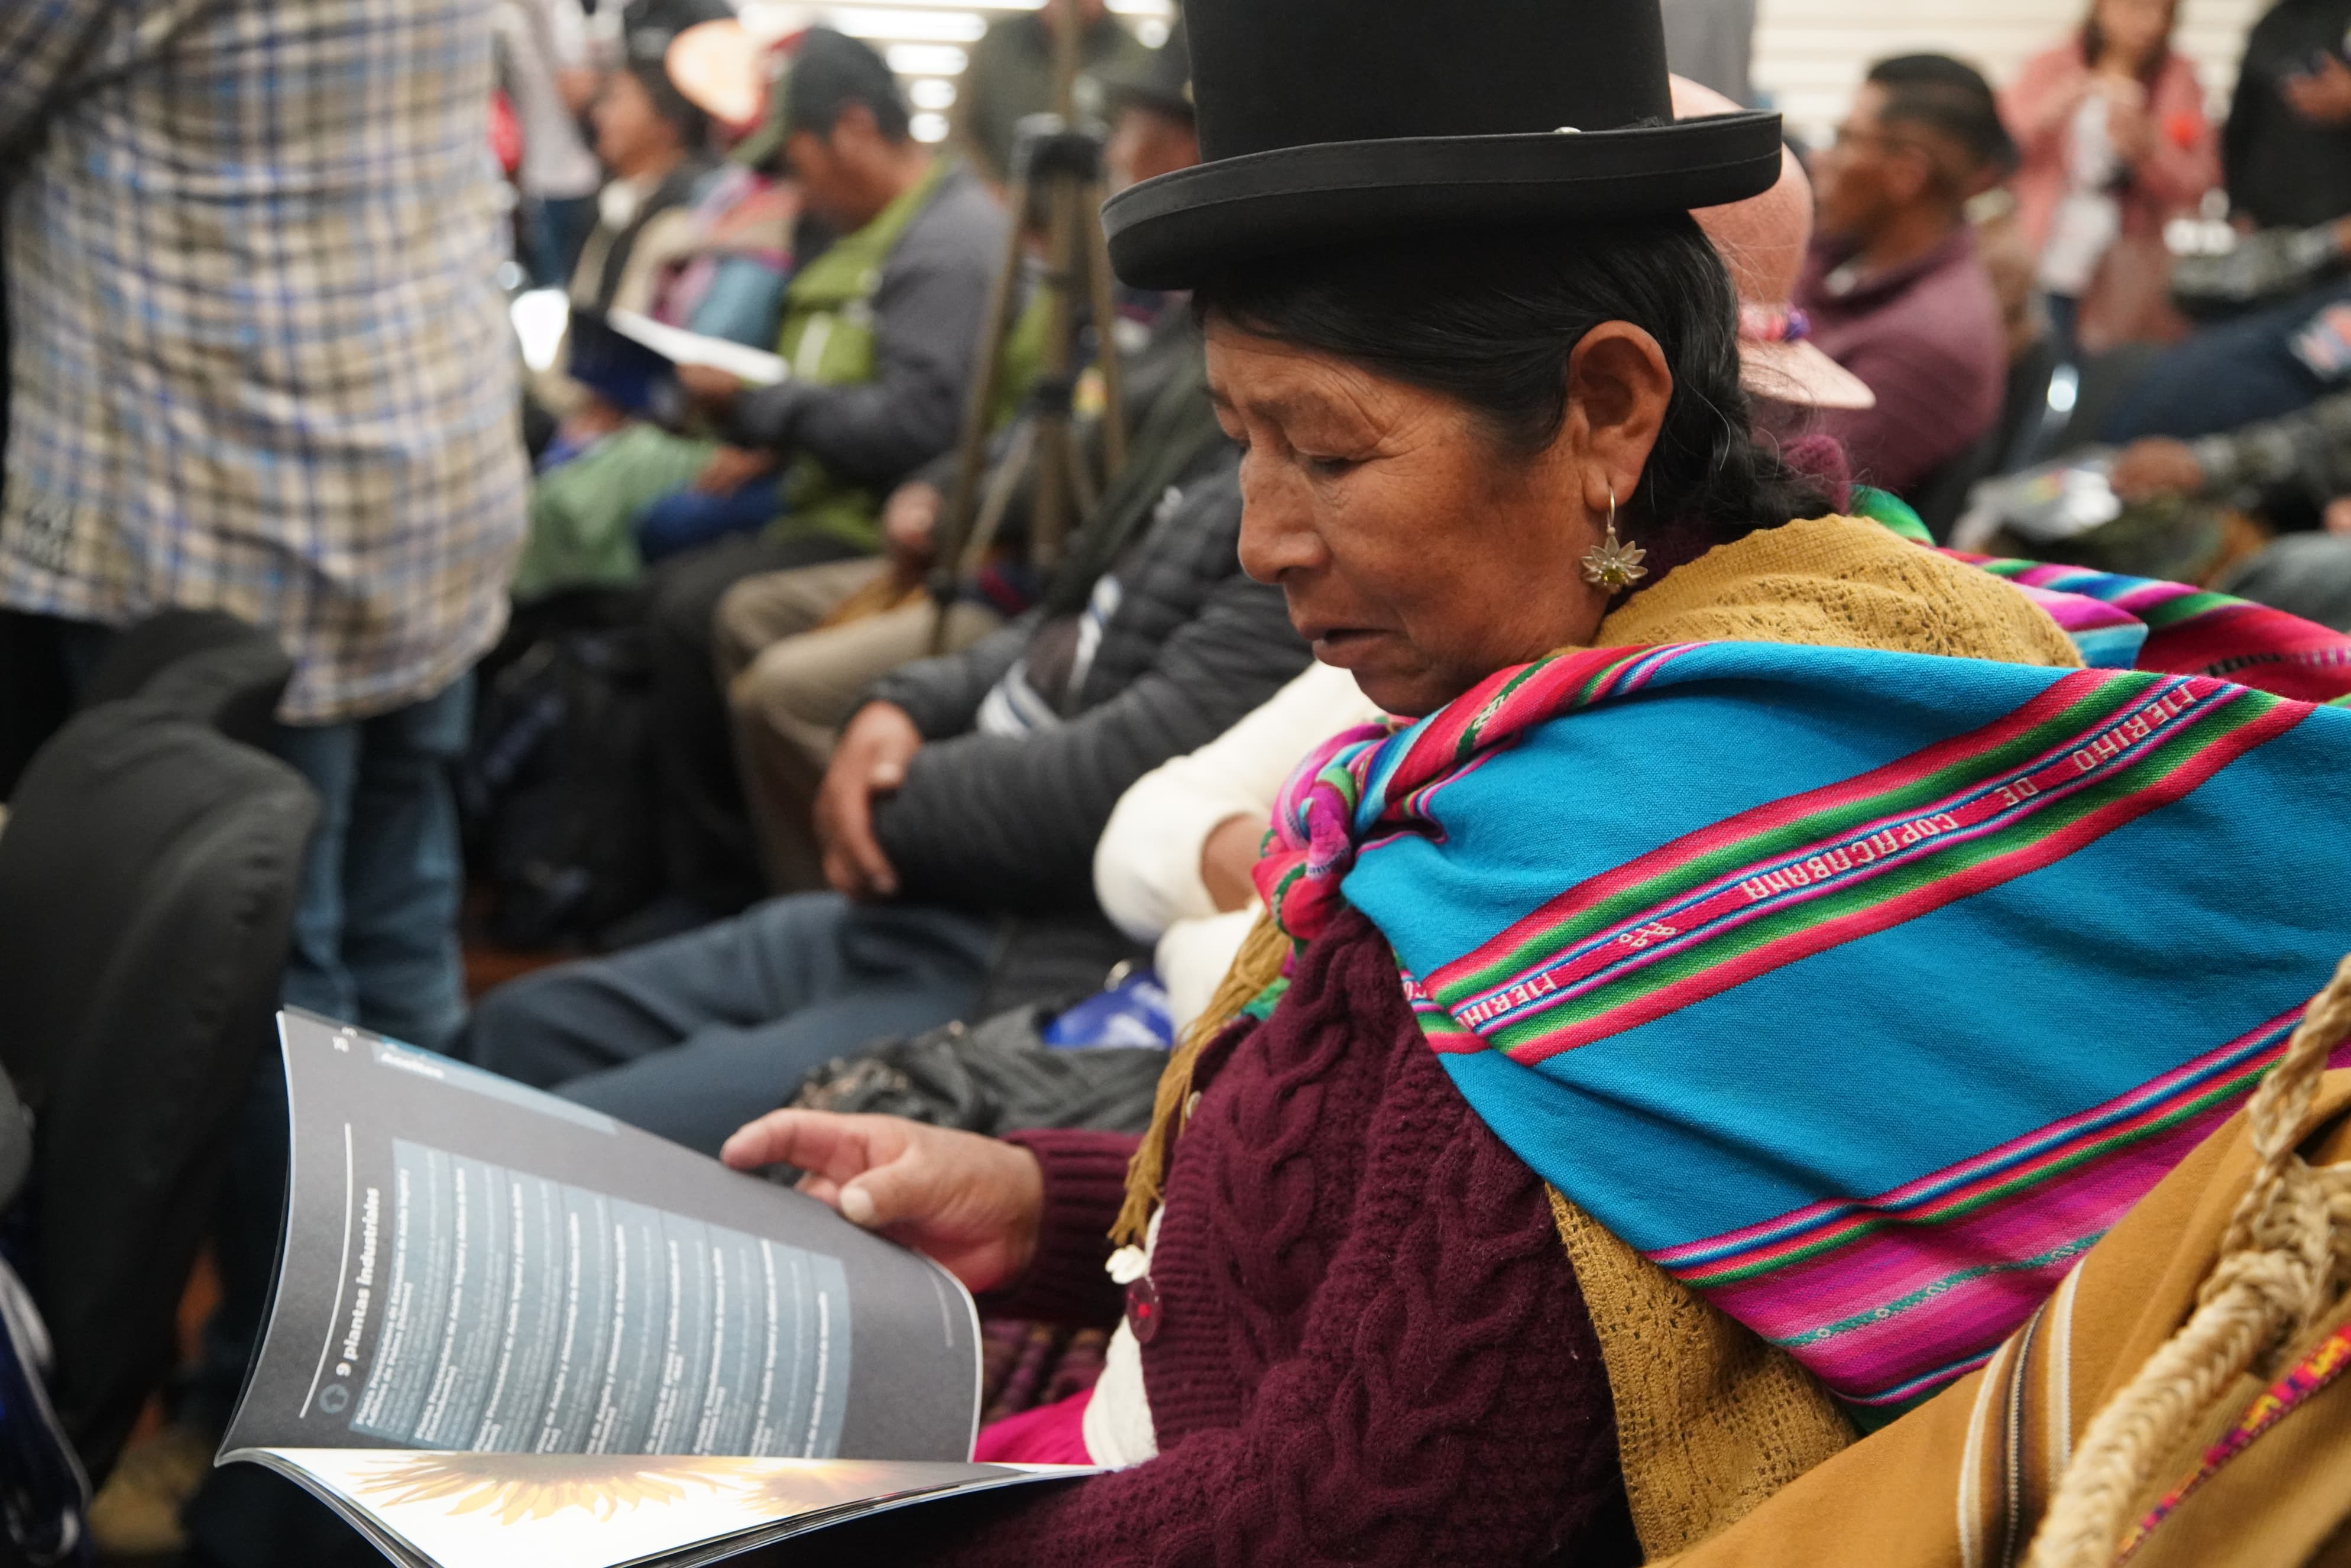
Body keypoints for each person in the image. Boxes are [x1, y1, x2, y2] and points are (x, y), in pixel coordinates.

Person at [714, 2, 2351, 1562]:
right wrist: (1051, 1204)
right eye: (1240, 442)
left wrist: (787, 1534)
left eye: (1327, 451)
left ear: (1607, 410)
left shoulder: (1633, 854)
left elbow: (1351, 1521)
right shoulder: (1641, 682)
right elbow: (1401, 1231)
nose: (1262, 536)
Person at [4, 0, 527, 1556]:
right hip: (427, 475)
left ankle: (272, 1415)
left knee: (255, 1009)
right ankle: (412, 1386)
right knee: (399, 964)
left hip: (226, 503)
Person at [715, 27, 1213, 895]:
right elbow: (1037, 414)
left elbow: (1086, 447)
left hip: (1029, 579)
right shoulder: (1131, 286)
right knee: (738, 616)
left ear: (1189, 144)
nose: (1118, 154)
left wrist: (957, 507)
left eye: (1138, 131)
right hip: (986, 550)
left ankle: (847, 886)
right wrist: (942, 487)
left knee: (782, 687)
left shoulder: (1200, 320)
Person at [618, 28, 1012, 928]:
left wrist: (765, 409)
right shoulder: (880, 229)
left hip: (891, 522)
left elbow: (917, 428)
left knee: (690, 609)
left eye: (799, 163)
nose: (797, 190)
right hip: (834, 492)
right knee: (667, 563)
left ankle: (730, 890)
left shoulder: (945, 246)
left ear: (855, 129)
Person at [1797, 54, 2016, 495]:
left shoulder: (1928, 341)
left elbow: (1792, 493)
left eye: (1845, 139)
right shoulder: (1842, 257)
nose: (1821, 158)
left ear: (1905, 174)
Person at [2003, 0, 2219, 355]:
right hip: (2042, 242)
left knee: (2105, 358)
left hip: (2126, 254)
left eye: (2163, 12)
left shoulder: (2178, 78)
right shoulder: (2053, 65)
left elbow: (2197, 180)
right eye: (2137, 8)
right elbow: (2001, 149)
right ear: (2102, 8)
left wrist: (2148, 148)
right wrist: (2048, 115)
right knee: (2037, 350)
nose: (2150, 23)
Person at [951, 0, 1152, 189]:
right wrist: (997, 194)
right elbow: (962, 130)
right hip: (998, 199)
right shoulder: (997, 44)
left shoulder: (1135, 58)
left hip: (1098, 203)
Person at [2221, 0, 2351, 234]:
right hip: (2271, 228)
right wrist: (2238, 208)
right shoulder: (2271, 25)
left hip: (2342, 226)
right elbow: (2241, 127)